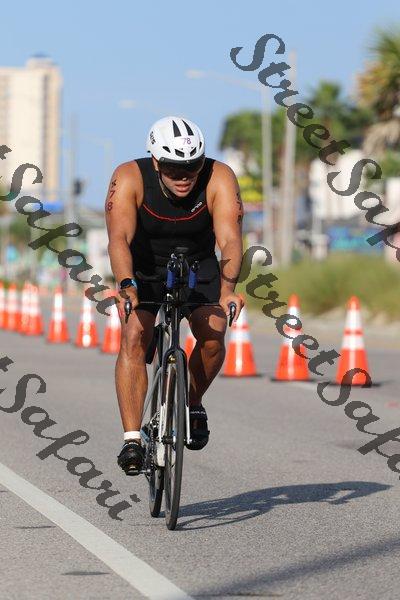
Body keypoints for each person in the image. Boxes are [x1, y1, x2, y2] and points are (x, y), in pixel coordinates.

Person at [105, 116, 244, 475]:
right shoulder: (129, 176)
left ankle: (191, 401)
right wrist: (126, 285)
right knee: (134, 335)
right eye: (172, 169)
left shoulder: (220, 176)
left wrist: (228, 289)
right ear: (156, 162)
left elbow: (230, 239)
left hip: (198, 263)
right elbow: (119, 238)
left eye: (192, 167)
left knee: (213, 335)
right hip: (144, 266)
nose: (184, 177)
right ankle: (132, 439)